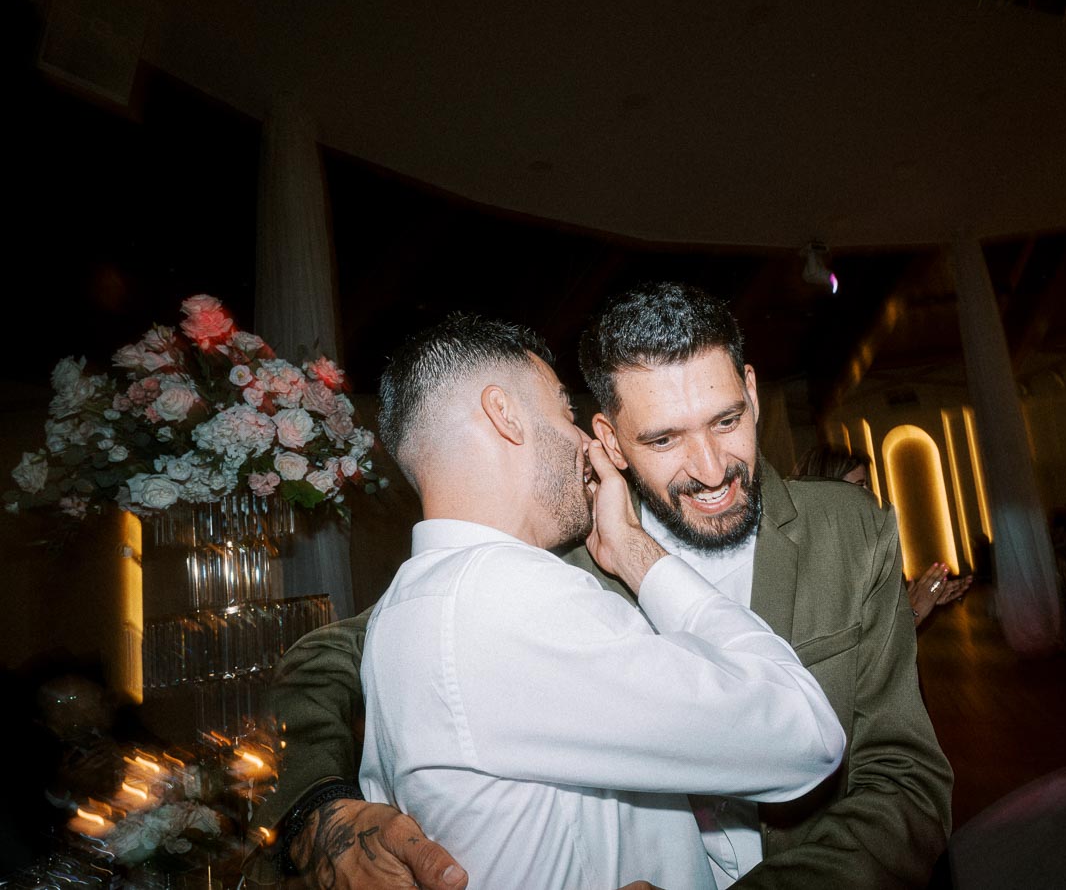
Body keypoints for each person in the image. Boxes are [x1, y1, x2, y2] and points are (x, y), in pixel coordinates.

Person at [251, 283, 954, 889]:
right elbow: (325, 660)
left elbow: (905, 779)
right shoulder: (549, 562)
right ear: (609, 441)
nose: (712, 469)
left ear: (752, 391)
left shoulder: (849, 527)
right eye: (663, 440)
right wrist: (321, 810)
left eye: (728, 421)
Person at [352, 312, 844, 890]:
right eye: (564, 411)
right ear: (504, 414)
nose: (586, 443)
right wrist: (636, 552)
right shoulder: (513, 599)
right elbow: (803, 732)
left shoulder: (397, 614)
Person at [791, 444, 971, 626]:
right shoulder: (820, 559)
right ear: (827, 492)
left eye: (867, 485)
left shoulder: (854, 547)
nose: (869, 495)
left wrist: (918, 600)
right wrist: (916, 611)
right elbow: (859, 647)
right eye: (859, 486)